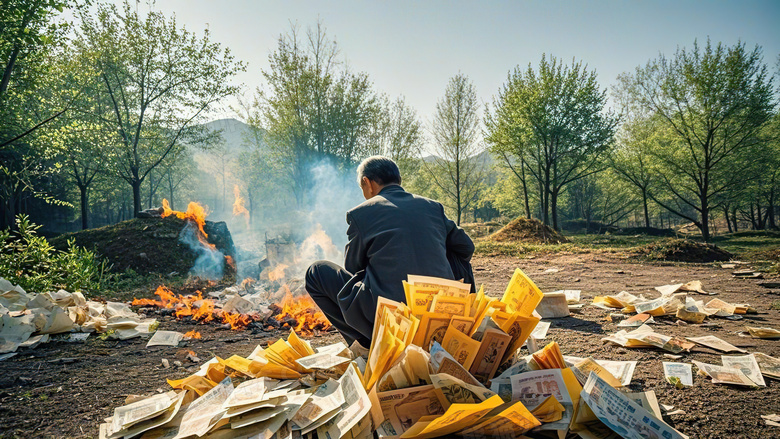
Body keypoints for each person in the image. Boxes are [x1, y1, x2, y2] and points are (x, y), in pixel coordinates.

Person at [305, 156, 475, 349]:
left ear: (366, 182)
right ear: (398, 180)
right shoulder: (432, 206)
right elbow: (466, 247)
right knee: (456, 256)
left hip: (392, 317)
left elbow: (353, 267)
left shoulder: (361, 213)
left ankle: (367, 346)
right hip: (441, 314)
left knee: (316, 271)